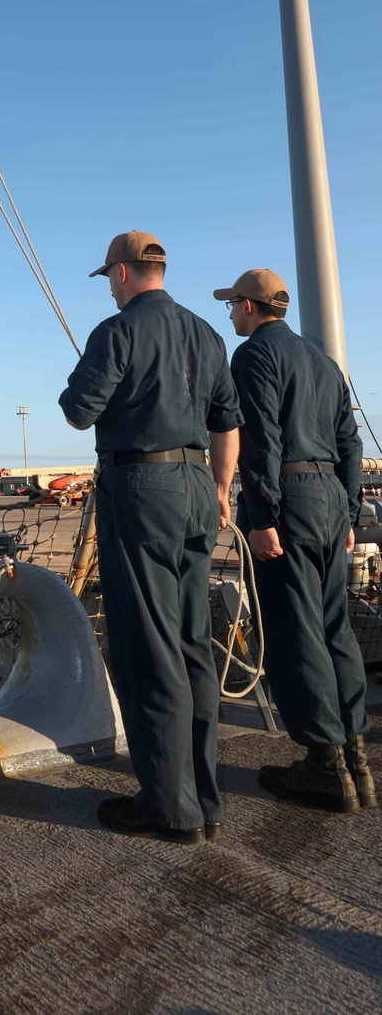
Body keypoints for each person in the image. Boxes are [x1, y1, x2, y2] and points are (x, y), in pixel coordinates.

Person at [59, 231, 241, 845]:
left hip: (141, 490)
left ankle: (169, 807)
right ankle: (204, 800)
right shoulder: (208, 334)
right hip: (195, 488)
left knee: (148, 648)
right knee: (193, 644)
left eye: (110, 276)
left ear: (120, 273)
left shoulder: (118, 333)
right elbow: (226, 423)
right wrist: (220, 491)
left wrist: (76, 384)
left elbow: (79, 410)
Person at [216, 268, 374, 813]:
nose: (231, 313)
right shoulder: (323, 363)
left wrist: (261, 518)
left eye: (233, 304)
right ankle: (356, 756)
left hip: (290, 498)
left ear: (252, 307)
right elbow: (350, 442)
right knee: (335, 627)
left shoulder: (255, 357)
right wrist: (350, 512)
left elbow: (261, 440)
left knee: (296, 627)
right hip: (331, 495)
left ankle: (324, 766)